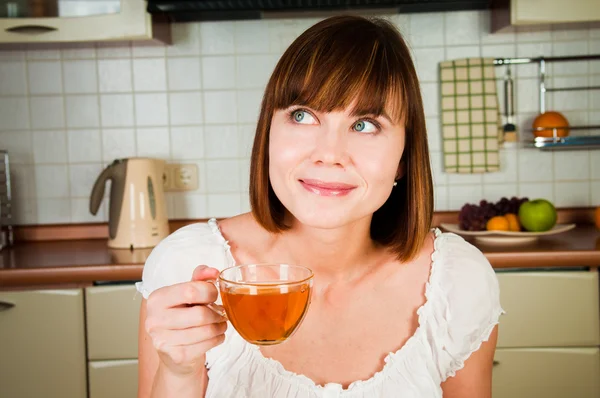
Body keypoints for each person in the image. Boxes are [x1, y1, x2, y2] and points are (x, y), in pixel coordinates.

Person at [136, 15, 503, 398]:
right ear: (268, 134)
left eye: (365, 124)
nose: (329, 155)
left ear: (404, 160)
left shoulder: (457, 282)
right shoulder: (185, 268)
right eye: (302, 116)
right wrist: (179, 374)